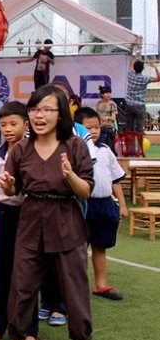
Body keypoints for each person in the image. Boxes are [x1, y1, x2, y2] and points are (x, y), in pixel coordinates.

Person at [0, 85, 93, 340]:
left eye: (47, 109)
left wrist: (70, 175)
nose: (40, 115)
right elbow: (14, 188)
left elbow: (86, 191)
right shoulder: (21, 148)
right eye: (35, 109)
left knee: (74, 289)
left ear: (61, 113)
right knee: (22, 286)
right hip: (30, 221)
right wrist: (8, 184)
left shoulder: (75, 146)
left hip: (67, 222)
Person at [0, 101, 40, 340]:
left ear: (26, 125)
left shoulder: (35, 153)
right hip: (3, 217)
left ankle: (30, 331)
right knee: (1, 274)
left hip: (29, 216)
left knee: (28, 273)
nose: (7, 129)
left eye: (13, 124)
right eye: (3, 124)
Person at [74, 107, 127, 300]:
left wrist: (122, 205)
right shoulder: (75, 150)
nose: (94, 131)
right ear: (78, 129)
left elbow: (116, 179)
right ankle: (75, 289)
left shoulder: (106, 150)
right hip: (83, 204)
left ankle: (100, 285)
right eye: (89, 128)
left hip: (105, 204)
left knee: (100, 245)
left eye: (96, 127)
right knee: (78, 249)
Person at [125, 59, 160, 133]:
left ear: (134, 68)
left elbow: (131, 66)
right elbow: (158, 78)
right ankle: (140, 143)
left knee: (129, 128)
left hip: (129, 104)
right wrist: (155, 67)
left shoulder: (130, 75)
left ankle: (130, 144)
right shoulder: (145, 78)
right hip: (139, 105)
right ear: (143, 69)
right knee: (139, 128)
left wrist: (135, 58)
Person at [95, 85, 118, 154]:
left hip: (109, 129)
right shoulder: (98, 104)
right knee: (100, 148)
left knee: (110, 148)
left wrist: (107, 118)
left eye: (109, 93)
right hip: (100, 128)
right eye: (106, 93)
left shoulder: (112, 104)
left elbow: (113, 118)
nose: (108, 95)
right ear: (102, 94)